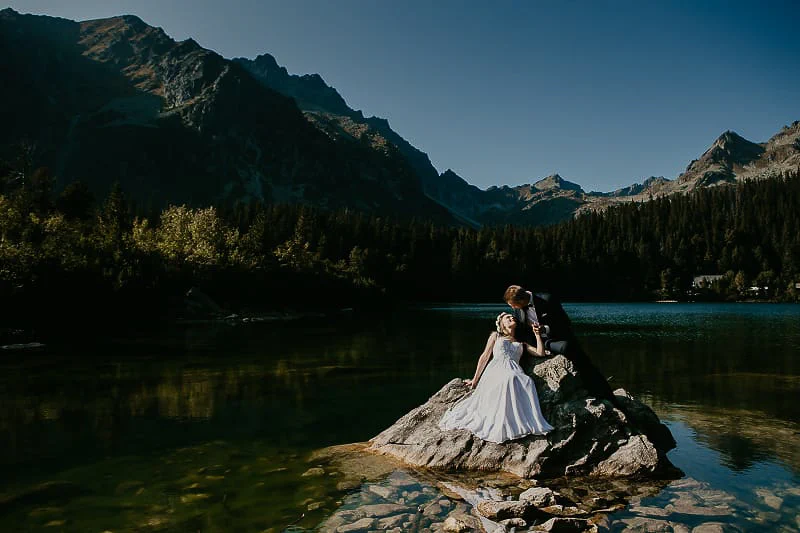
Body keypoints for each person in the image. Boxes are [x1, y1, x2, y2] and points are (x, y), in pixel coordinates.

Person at [438, 312, 553, 443]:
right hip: (496, 369)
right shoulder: (496, 336)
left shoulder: (521, 343)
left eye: (512, 317)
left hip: (514, 369)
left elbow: (540, 353)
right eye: (507, 317)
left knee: (527, 381)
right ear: (501, 323)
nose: (511, 318)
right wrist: (475, 380)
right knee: (510, 379)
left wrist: (537, 335)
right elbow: (484, 356)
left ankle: (520, 420)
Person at [504, 285, 615, 402]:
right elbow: (520, 330)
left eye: (513, 305)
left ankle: (605, 393)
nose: (513, 308)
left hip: (556, 338)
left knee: (576, 355)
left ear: (521, 300)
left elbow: (565, 322)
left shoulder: (547, 299)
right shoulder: (518, 308)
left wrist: (545, 329)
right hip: (538, 343)